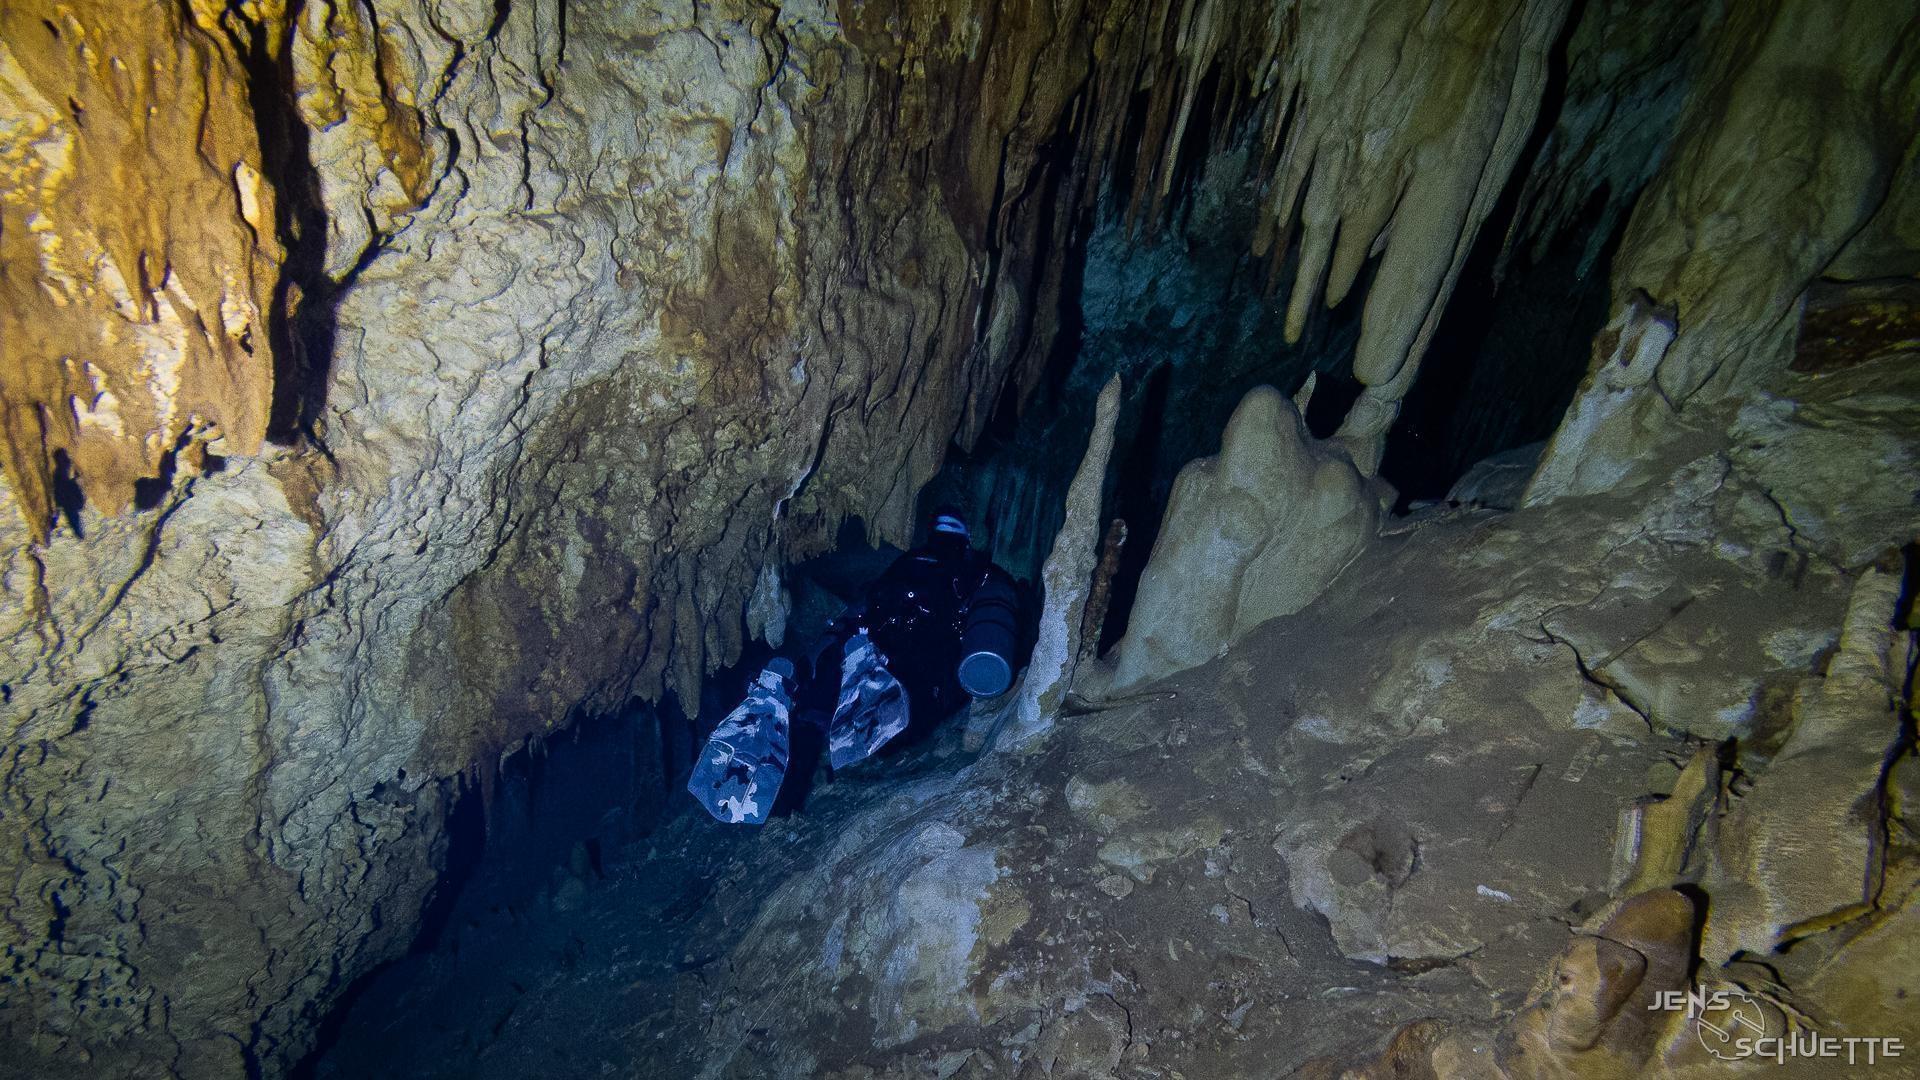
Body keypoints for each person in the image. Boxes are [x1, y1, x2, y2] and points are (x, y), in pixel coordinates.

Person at [688, 505, 1027, 824]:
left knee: (822, 702)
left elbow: (856, 611)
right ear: (966, 538)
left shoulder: (907, 563)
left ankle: (787, 687)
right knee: (904, 716)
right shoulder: (980, 573)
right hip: (916, 674)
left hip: (867, 643)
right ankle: (857, 675)